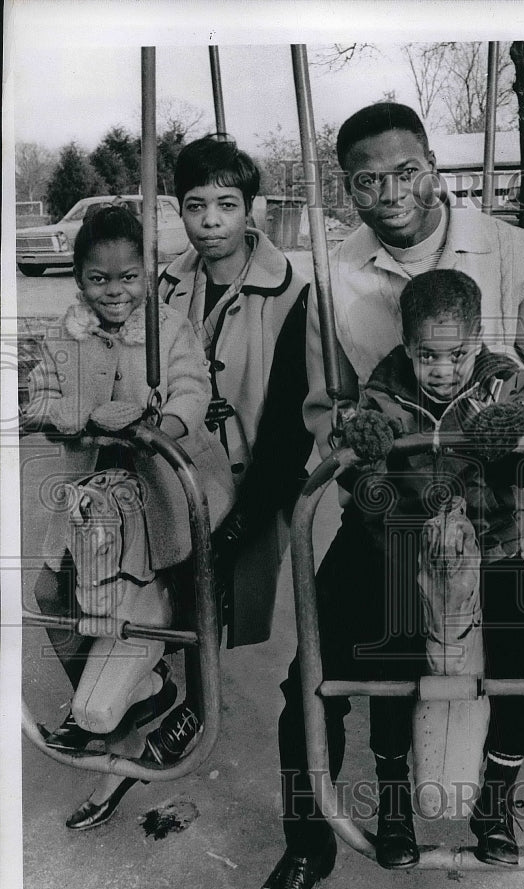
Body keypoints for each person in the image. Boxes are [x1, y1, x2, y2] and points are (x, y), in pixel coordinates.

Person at [248, 102, 524, 889]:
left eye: (404, 171)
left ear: (433, 166)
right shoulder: (333, 271)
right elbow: (328, 410)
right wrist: (367, 468)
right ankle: (306, 844)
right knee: (306, 687)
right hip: (392, 510)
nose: (387, 192)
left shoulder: (518, 254)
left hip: (515, 501)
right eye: (364, 178)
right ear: (345, 184)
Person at [341, 268, 524, 869]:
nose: (442, 370)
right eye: (427, 355)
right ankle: (393, 802)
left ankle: (496, 798)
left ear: (479, 340)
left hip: (492, 548)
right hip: (410, 553)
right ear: (406, 345)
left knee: (517, 653)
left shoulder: (505, 384)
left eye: (457, 354)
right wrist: (362, 454)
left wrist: (523, 438)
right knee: (389, 657)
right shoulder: (385, 391)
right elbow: (360, 482)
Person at [29, 205, 235, 829]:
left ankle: (130, 704)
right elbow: (42, 393)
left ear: (146, 275)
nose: (114, 292)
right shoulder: (70, 331)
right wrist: (63, 413)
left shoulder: (169, 327)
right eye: (98, 279)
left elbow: (191, 390)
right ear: (79, 279)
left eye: (127, 279)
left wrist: (157, 429)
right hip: (91, 493)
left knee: (136, 606)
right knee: (51, 593)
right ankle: (142, 696)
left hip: (162, 489)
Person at [140, 134, 313, 764]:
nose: (210, 222)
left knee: (225, 582)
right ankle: (176, 695)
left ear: (252, 209)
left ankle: (196, 703)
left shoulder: (293, 291)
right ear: (177, 209)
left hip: (255, 470)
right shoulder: (163, 284)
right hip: (180, 464)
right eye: (193, 205)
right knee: (173, 579)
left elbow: (293, 414)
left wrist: (255, 505)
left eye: (226, 204)